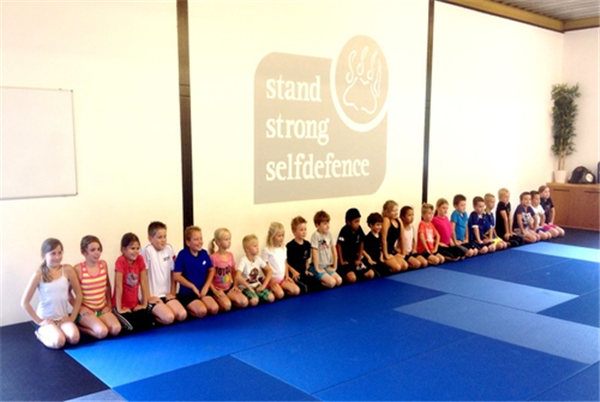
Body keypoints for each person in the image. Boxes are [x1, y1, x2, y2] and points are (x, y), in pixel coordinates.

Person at [21, 238, 83, 349]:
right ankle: (39, 334)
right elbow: (24, 302)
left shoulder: (68, 270)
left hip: (62, 318)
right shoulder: (38, 274)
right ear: (43, 256)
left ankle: (59, 330)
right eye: (53, 253)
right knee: (59, 342)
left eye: (60, 253)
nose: (57, 257)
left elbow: (79, 295)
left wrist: (73, 317)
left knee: (74, 338)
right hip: (47, 319)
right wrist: (39, 321)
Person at [74, 235, 121, 339]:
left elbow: (107, 286)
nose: (97, 253)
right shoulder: (78, 269)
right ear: (84, 252)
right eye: (93, 250)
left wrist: (109, 305)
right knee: (102, 332)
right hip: (86, 311)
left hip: (101, 309)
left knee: (116, 329)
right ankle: (80, 327)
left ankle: (97, 322)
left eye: (99, 249)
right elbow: (68, 293)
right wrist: (79, 308)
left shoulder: (103, 264)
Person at [112, 232, 159, 332]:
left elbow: (143, 282)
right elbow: (118, 286)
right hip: (120, 305)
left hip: (134, 304)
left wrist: (144, 304)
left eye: (138, 248)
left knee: (150, 322)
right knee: (131, 327)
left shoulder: (140, 259)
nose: (136, 251)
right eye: (132, 248)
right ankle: (118, 316)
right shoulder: (121, 261)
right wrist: (119, 308)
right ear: (124, 249)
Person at [141, 221, 187, 323]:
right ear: (150, 238)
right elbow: (143, 276)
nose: (163, 240)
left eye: (165, 236)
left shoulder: (169, 249)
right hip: (153, 296)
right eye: (159, 237)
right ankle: (151, 315)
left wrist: (172, 292)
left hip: (166, 295)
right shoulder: (147, 250)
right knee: (169, 318)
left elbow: (173, 273)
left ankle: (164, 310)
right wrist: (148, 297)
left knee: (182, 315)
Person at [173, 226, 219, 318]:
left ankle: (201, 303)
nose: (200, 242)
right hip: (188, 293)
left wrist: (206, 286)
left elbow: (211, 270)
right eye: (196, 239)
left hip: (202, 291)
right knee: (201, 311)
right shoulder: (182, 255)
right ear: (188, 242)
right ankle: (188, 307)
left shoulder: (204, 253)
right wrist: (192, 286)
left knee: (214, 309)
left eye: (201, 239)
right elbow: (176, 276)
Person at [286, 216, 333, 292]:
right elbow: (286, 263)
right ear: (294, 231)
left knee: (317, 284)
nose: (304, 232)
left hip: (303, 273)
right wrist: (293, 271)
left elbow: (306, 260)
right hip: (295, 274)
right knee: (305, 288)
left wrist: (306, 270)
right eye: (301, 230)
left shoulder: (307, 244)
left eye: (305, 229)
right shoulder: (290, 246)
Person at [208, 227, 250, 311]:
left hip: (228, 287)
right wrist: (215, 291)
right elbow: (208, 278)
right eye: (226, 239)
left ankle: (228, 298)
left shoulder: (230, 255)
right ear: (218, 242)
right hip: (217, 289)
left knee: (244, 302)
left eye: (230, 239)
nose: (229, 241)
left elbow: (233, 272)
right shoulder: (213, 258)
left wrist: (235, 285)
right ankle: (219, 299)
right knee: (227, 306)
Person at [262, 222, 301, 299]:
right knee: (280, 294)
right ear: (272, 236)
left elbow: (285, 263)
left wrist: (287, 276)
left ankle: (281, 289)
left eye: (282, 235)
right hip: (272, 279)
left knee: (297, 290)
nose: (281, 238)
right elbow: (264, 267)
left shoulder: (284, 248)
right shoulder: (267, 250)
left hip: (282, 279)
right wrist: (271, 280)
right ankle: (271, 289)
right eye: (279, 236)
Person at [336, 208, 376, 283]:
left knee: (371, 274)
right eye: (355, 222)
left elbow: (361, 243)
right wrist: (341, 261)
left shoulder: (359, 229)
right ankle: (343, 274)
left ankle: (358, 273)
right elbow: (339, 245)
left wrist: (359, 259)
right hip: (346, 260)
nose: (358, 224)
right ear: (348, 222)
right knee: (352, 278)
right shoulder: (344, 230)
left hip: (355, 259)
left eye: (359, 221)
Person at [237, 234, 274, 304]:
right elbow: (237, 276)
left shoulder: (258, 259)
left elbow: (270, 271)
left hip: (257, 285)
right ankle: (250, 297)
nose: (258, 248)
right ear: (247, 249)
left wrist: (263, 286)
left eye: (257, 245)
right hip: (246, 287)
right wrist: (249, 287)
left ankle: (256, 296)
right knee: (254, 301)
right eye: (255, 246)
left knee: (271, 298)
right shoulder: (243, 260)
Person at [309, 210, 343, 287]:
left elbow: (334, 251)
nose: (328, 226)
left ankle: (325, 277)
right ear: (317, 225)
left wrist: (335, 266)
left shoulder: (329, 234)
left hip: (327, 266)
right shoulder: (315, 236)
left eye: (328, 223)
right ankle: (317, 282)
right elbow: (314, 253)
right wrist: (317, 269)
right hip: (318, 266)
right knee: (332, 283)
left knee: (339, 280)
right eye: (324, 224)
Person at [380, 200, 409, 273]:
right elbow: (383, 239)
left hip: (392, 250)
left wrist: (403, 253)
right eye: (393, 211)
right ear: (387, 211)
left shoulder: (398, 220)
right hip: (383, 251)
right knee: (397, 267)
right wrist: (385, 255)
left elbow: (402, 238)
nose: (396, 212)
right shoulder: (386, 220)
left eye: (397, 210)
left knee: (405, 266)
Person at [362, 212, 389, 277]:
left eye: (381, 225)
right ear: (371, 225)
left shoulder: (380, 236)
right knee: (377, 274)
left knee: (387, 271)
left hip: (378, 259)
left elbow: (380, 248)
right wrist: (369, 258)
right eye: (377, 225)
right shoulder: (367, 237)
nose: (380, 227)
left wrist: (381, 257)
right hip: (371, 260)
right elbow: (362, 250)